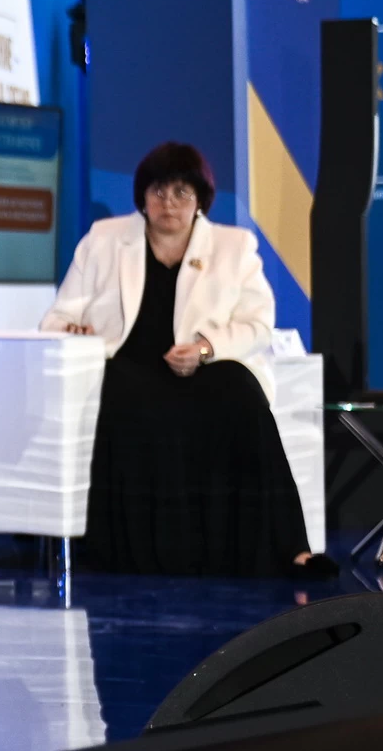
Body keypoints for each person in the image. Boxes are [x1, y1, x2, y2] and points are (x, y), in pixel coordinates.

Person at [40, 142, 331, 579]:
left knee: (241, 390)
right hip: (128, 369)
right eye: (158, 192)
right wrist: (75, 331)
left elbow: (258, 324)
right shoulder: (104, 239)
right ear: (142, 197)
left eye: (181, 192)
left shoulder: (234, 246)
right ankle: (132, 553)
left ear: (200, 200)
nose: (169, 203)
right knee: (119, 388)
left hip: (202, 369)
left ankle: (290, 548)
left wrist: (206, 348)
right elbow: (57, 318)